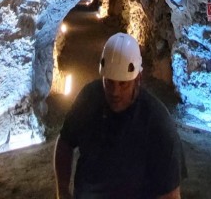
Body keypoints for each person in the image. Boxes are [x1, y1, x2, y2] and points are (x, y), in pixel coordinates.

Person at [54, 33, 185, 199]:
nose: (115, 92)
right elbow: (65, 143)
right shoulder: (89, 98)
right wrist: (62, 192)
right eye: (109, 82)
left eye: (123, 83)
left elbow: (170, 195)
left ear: (138, 78)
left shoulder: (157, 122)